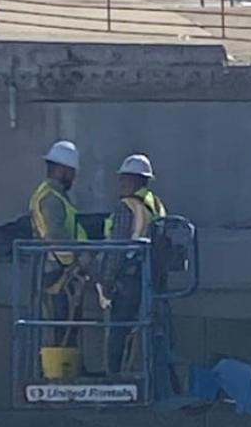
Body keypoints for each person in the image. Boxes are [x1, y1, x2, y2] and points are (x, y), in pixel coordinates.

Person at [103, 154, 166, 376]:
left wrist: (107, 279)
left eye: (124, 179)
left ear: (136, 180)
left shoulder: (127, 207)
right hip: (150, 280)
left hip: (128, 279)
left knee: (119, 331)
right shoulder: (155, 205)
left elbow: (118, 248)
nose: (120, 183)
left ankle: (114, 377)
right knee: (146, 330)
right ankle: (145, 374)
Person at [29, 140, 87, 351]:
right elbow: (55, 235)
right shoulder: (51, 198)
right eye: (72, 172)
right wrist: (81, 255)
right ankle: (60, 367)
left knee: (67, 328)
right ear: (62, 169)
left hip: (60, 270)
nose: (74, 177)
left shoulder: (55, 195)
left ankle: (68, 364)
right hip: (58, 272)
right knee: (61, 328)